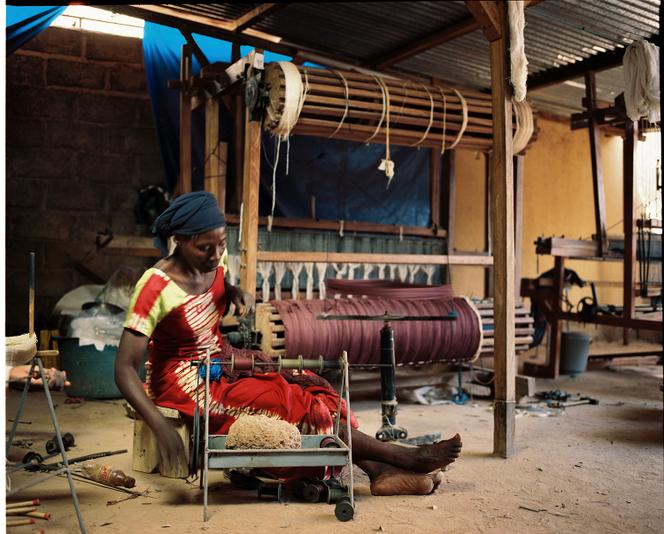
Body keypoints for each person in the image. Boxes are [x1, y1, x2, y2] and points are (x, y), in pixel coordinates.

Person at [115, 191, 462, 496]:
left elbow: (217, 283)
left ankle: (381, 472)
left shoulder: (213, 257)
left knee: (312, 384)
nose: (215, 254)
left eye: (221, 244)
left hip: (224, 358)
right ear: (179, 240)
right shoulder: (155, 286)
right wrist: (159, 424)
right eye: (204, 247)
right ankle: (406, 457)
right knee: (294, 409)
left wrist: (233, 292)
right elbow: (124, 369)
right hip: (187, 381)